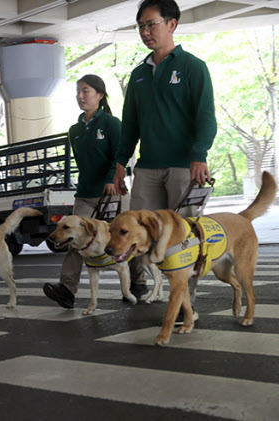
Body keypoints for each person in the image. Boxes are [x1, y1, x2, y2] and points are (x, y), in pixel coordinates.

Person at [112, 0, 217, 321]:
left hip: (184, 166)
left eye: (151, 24)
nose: (145, 32)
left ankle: (188, 301)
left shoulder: (192, 67)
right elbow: (129, 124)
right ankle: (148, 286)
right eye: (141, 26)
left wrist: (199, 155)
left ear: (171, 24)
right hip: (147, 168)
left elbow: (205, 117)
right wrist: (120, 162)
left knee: (184, 234)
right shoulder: (139, 75)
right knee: (136, 228)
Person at [42, 75, 128, 309]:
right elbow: (82, 161)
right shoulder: (75, 130)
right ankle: (67, 289)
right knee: (74, 239)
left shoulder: (111, 123)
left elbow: (121, 154)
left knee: (124, 237)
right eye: (78, 92)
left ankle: (136, 283)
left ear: (100, 95)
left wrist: (111, 177)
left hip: (112, 191)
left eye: (86, 91)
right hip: (85, 193)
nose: (81, 96)